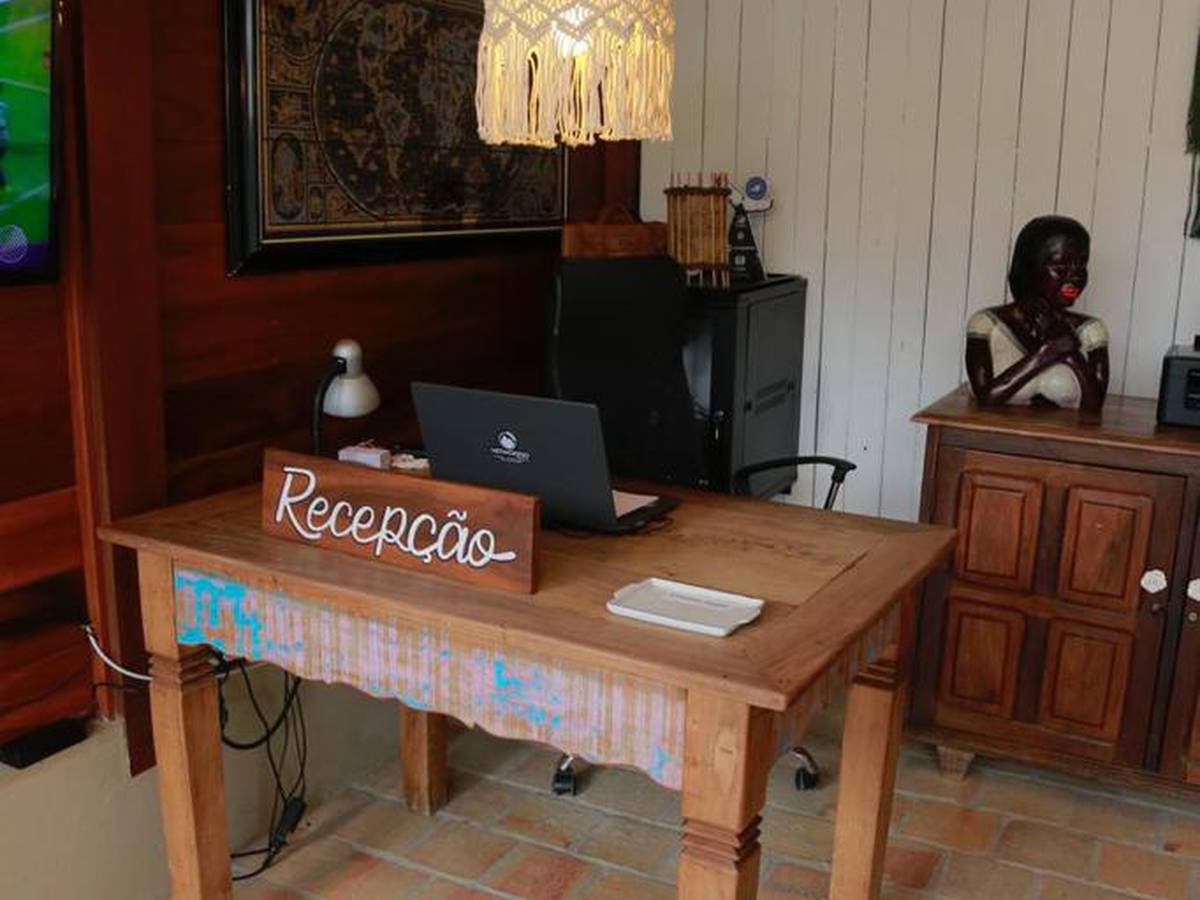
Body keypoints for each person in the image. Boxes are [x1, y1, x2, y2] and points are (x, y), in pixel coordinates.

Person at [965, 215, 1109, 412]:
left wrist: (1072, 356)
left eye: (1082, 266)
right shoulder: (986, 324)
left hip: (1063, 432)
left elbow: (1094, 406)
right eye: (1060, 267)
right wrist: (1046, 353)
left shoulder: (1091, 330)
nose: (1075, 276)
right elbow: (986, 397)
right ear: (1029, 268)